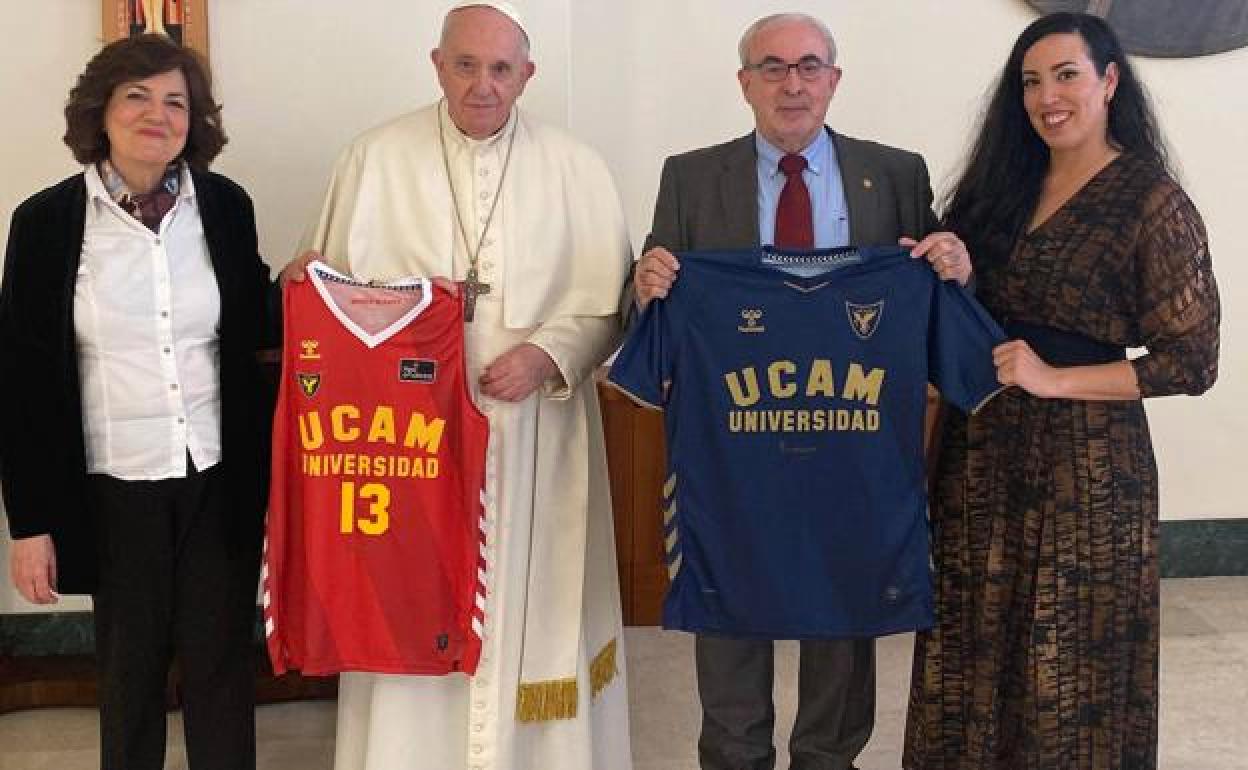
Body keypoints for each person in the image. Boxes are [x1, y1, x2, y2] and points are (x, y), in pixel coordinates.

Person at [282, 2, 633, 768]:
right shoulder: (372, 159)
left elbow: (612, 307)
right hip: (410, 444)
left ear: (527, 76)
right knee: (410, 589)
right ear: (437, 64)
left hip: (536, 429)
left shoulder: (577, 165)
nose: (483, 85)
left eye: (501, 68)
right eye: (466, 65)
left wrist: (548, 354)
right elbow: (320, 291)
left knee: (535, 602)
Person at [632, 12, 971, 770]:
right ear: (745, 82)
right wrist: (647, 284)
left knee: (842, 613)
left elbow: (932, 293)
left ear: (834, 80)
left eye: (809, 66)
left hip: (853, 446)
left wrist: (954, 260)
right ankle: (733, 755)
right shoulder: (689, 176)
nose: (793, 84)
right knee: (730, 608)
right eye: (774, 67)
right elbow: (655, 302)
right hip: (734, 454)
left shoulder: (899, 174)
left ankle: (829, 758)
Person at [904, 12, 1220, 770]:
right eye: (1032, 82)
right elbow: (969, 315)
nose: (1048, 96)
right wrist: (954, 263)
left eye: (1067, 75)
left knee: (1068, 667)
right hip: (978, 460)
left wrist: (1054, 379)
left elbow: (1192, 360)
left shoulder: (1151, 201)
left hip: (1087, 476)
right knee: (969, 653)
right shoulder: (998, 189)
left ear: (1111, 82)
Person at [0, 34, 273, 770]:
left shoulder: (225, 206)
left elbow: (255, 333)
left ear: (196, 120)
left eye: (176, 101)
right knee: (130, 676)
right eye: (138, 97)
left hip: (217, 475)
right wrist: (30, 523)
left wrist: (312, 289)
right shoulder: (46, 222)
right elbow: (20, 382)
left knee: (222, 670)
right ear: (102, 111)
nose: (159, 115)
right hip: (113, 485)